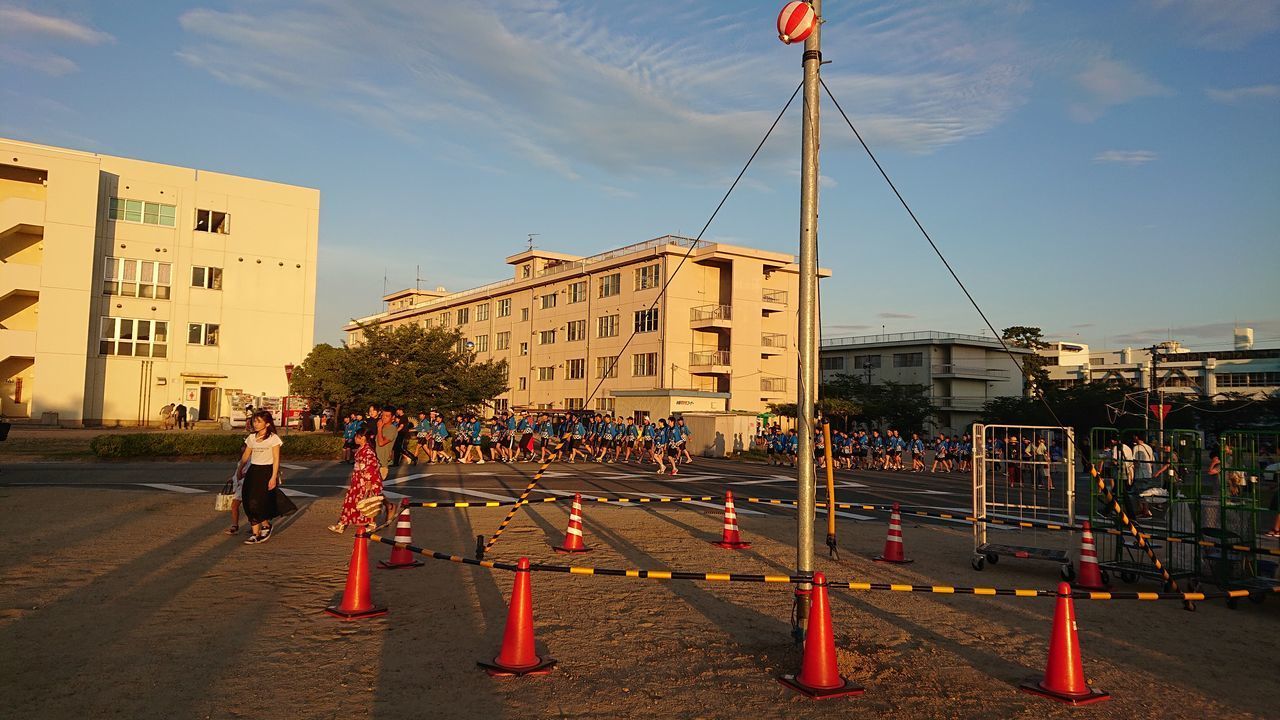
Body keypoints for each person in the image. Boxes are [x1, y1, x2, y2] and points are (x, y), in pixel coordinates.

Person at [233, 411, 295, 544]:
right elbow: (246, 456)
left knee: (258, 501)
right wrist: (239, 469)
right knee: (248, 501)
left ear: (267, 423)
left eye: (259, 421)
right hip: (253, 471)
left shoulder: (273, 438)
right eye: (254, 421)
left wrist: (273, 477)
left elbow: (276, 459)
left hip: (266, 471)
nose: (255, 424)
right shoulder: (251, 438)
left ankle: (265, 526)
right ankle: (256, 533)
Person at [329, 423, 385, 534]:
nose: (355, 438)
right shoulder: (362, 449)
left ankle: (345, 523)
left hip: (365, 481)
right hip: (358, 480)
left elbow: (371, 467)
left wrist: (369, 481)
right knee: (355, 502)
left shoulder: (367, 451)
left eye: (357, 437)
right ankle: (343, 523)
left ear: (363, 438)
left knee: (366, 504)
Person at [374, 406, 397, 479]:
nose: (384, 417)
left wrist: (379, 428)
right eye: (383, 415)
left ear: (393, 417)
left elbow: (381, 443)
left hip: (382, 465)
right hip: (375, 462)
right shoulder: (382, 427)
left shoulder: (392, 429)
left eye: (387, 416)